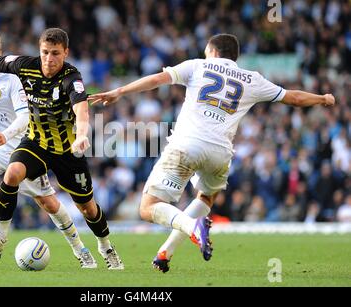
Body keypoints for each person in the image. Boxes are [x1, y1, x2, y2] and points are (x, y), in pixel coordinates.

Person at [88, 33, 335, 272]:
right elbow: (293, 97)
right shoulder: (252, 79)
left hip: (187, 145)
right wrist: (322, 98)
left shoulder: (197, 66)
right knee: (206, 198)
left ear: (213, 51)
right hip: (220, 153)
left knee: (148, 207)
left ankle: (193, 227)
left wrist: (119, 91)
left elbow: (155, 80)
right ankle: (165, 254)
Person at [0, 28, 124, 269]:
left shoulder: (69, 78)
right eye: (45, 52)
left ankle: (98, 247)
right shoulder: (21, 65)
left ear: (65, 53)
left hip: (63, 149)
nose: (49, 58)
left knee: (80, 207)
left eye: (55, 53)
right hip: (32, 144)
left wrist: (82, 135)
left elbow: (81, 110)